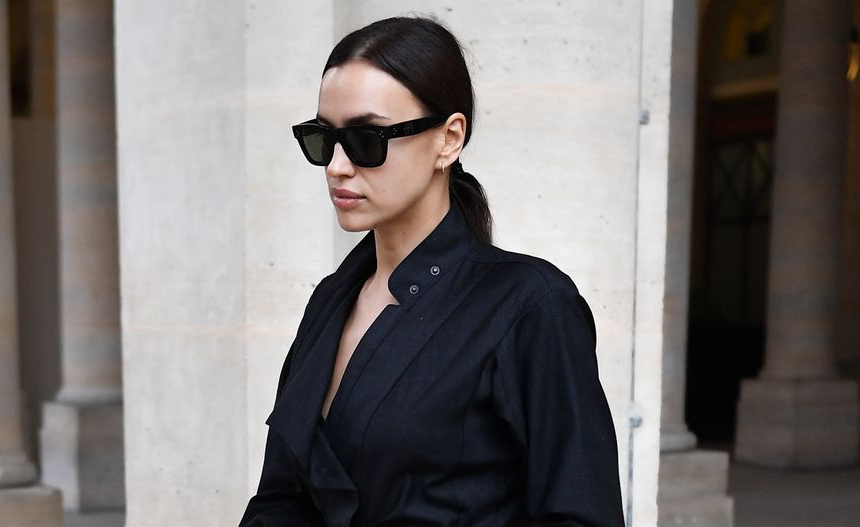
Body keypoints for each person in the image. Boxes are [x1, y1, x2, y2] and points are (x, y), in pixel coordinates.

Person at [240, 15, 624, 527]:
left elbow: (582, 513)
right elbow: (280, 498)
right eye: (323, 139)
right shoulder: (331, 300)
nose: (337, 166)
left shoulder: (531, 305)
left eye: (366, 138)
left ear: (449, 138)